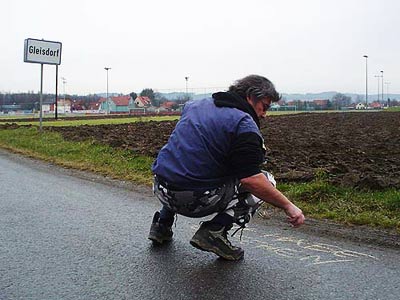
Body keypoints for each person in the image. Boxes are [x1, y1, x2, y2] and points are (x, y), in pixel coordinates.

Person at [148, 75, 305, 261]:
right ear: (250, 97)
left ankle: (161, 224)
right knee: (266, 180)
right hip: (195, 200)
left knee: (182, 164)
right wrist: (288, 206)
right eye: (265, 106)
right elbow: (251, 180)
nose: (264, 114)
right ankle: (215, 231)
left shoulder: (194, 106)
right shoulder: (244, 124)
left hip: (161, 188)